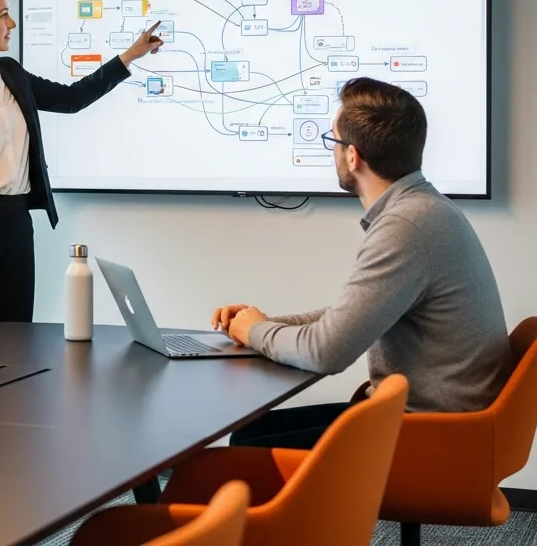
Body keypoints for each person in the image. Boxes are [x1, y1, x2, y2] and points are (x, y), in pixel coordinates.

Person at [210, 77, 512, 448]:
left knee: (248, 449)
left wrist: (257, 332)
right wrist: (260, 324)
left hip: (432, 437)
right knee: (250, 434)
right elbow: (348, 315)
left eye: (331, 141)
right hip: (433, 419)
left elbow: (326, 352)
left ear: (352, 156)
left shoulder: (406, 226)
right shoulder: (426, 210)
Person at [0, 0, 163, 324]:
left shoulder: (11, 74)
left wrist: (129, 56)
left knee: (16, 343)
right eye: (2, 14)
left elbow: (72, 98)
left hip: (16, 225)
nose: (11, 23)